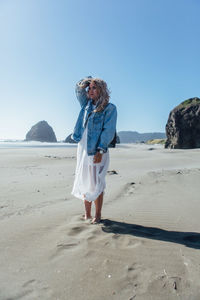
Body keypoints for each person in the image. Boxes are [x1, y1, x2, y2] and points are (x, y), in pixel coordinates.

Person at [71, 76, 117, 223]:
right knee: (85, 180)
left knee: (97, 182)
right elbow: (78, 91)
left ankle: (97, 215)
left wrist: (101, 149)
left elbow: (108, 131)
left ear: (101, 90)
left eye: (94, 87)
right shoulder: (86, 105)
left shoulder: (110, 109)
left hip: (96, 149)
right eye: (89, 88)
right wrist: (86, 81)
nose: (90, 90)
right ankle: (87, 214)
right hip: (83, 148)